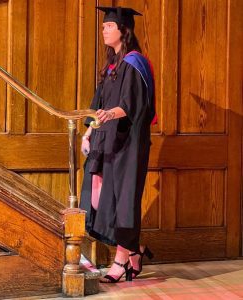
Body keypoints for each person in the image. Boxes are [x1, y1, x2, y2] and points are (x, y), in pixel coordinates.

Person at [80, 6, 157, 283]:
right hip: (107, 140)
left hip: (129, 144)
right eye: (103, 27)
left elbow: (133, 104)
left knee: (124, 201)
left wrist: (111, 114)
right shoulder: (111, 65)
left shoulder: (136, 63)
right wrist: (88, 131)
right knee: (100, 199)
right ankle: (135, 251)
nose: (104, 30)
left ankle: (121, 261)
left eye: (108, 27)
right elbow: (97, 103)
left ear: (124, 30)